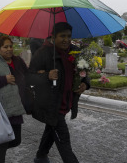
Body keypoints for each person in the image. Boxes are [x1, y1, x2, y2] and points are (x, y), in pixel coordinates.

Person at [29, 22, 90, 163]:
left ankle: (40, 156)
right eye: (62, 36)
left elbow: (84, 72)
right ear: (53, 36)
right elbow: (28, 77)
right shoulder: (43, 53)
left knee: (51, 130)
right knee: (64, 142)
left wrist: (85, 84)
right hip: (51, 105)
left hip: (67, 101)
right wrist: (46, 76)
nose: (66, 40)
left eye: (69, 36)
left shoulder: (74, 51)